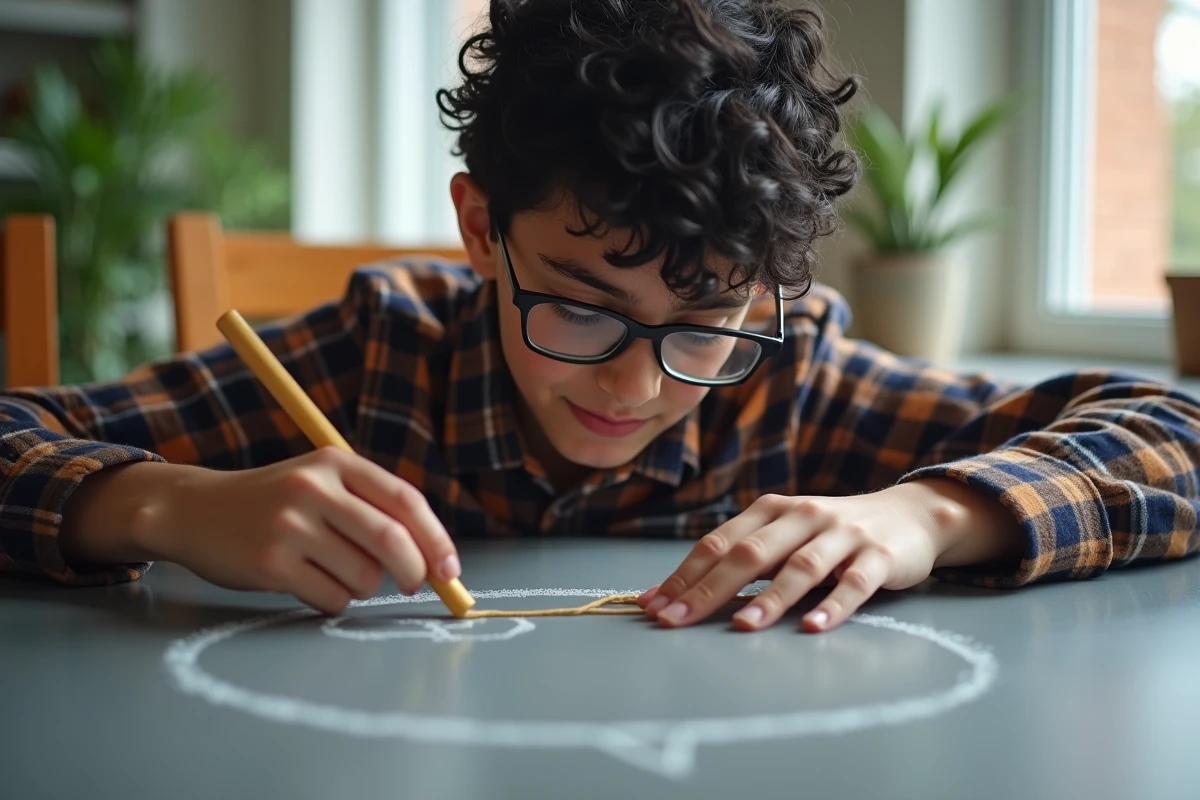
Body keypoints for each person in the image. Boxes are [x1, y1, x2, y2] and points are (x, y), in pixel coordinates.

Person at [2, 0, 1198, 634]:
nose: (634, 385)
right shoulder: (380, 357)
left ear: (769, 293)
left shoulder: (795, 379)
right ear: (482, 230)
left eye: (707, 317)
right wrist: (159, 503)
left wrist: (934, 511)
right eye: (580, 305)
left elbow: (1173, 432)